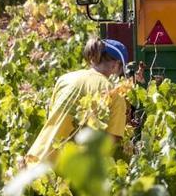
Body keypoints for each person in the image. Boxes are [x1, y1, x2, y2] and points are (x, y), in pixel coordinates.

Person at [24, 37, 130, 166]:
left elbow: (54, 118)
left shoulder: (64, 79)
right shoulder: (115, 95)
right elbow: (108, 144)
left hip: (36, 159)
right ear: (115, 65)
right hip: (64, 173)